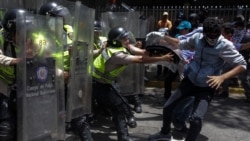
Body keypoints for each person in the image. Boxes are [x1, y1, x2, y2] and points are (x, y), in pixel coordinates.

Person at [148, 17, 247, 141]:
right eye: (209, 35)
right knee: (168, 107)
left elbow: (242, 65)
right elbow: (180, 44)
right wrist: (163, 36)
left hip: (207, 85)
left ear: (219, 32)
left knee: (196, 119)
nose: (212, 38)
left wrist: (222, 77)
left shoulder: (225, 46)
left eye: (215, 35)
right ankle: (165, 133)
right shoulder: (197, 38)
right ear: (204, 32)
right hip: (190, 80)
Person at [92, 26, 174, 141]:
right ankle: (123, 137)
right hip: (97, 85)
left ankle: (123, 135)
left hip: (105, 83)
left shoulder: (120, 46)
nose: (128, 40)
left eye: (127, 37)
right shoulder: (116, 55)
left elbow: (143, 53)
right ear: (116, 41)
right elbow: (140, 60)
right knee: (118, 108)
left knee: (120, 106)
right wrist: (163, 58)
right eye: (125, 39)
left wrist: (159, 49)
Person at [39, 2, 93, 141]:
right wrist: (59, 73)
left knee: (78, 116)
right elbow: (40, 61)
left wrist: (78, 52)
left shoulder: (68, 30)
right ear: (47, 19)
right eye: (59, 19)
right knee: (51, 117)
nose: (63, 21)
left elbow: (84, 49)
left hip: (72, 79)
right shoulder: (39, 36)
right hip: (52, 82)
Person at [0, 8, 24, 141]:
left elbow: (42, 51)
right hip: (2, 85)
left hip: (18, 86)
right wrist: (16, 61)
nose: (22, 34)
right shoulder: (0, 37)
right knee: (6, 125)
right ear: (10, 29)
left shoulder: (25, 39)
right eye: (19, 31)